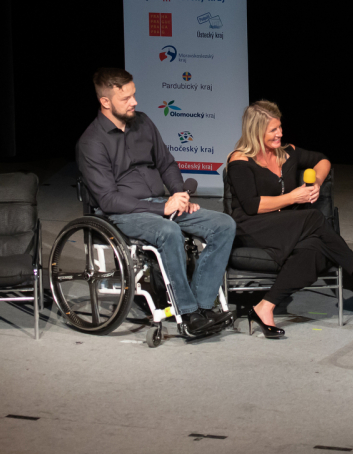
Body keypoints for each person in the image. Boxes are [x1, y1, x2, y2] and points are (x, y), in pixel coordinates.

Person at [76, 68, 236, 340]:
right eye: (126, 98)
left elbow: (166, 163)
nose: (134, 102)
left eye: (133, 95)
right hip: (123, 213)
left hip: (160, 203)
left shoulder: (143, 122)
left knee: (224, 224)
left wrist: (179, 195)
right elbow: (109, 199)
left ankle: (203, 305)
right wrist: (161, 209)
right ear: (105, 102)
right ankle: (188, 314)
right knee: (168, 230)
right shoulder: (91, 142)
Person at [225, 101, 353, 338]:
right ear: (255, 131)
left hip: (285, 225)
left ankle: (264, 307)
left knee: (315, 250)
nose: (280, 133)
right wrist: (292, 197)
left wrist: (316, 181)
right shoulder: (240, 160)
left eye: (280, 127)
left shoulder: (288, 152)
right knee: (314, 217)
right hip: (251, 227)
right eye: (273, 130)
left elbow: (323, 160)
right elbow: (251, 205)